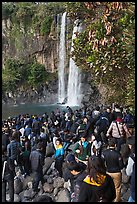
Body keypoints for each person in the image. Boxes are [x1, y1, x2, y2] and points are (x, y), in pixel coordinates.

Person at [101, 138, 124, 202]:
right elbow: (121, 165)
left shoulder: (104, 153)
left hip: (108, 171)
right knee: (117, 188)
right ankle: (117, 200)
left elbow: (102, 162)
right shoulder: (118, 154)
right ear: (115, 145)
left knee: (108, 186)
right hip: (117, 172)